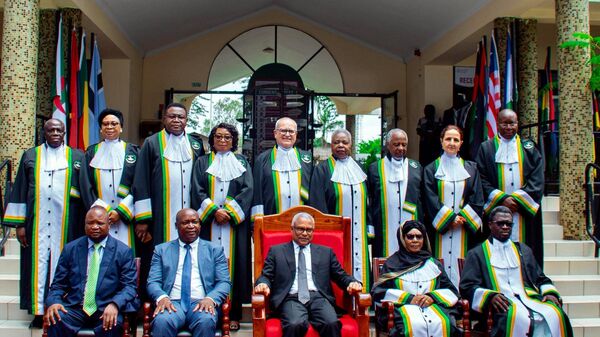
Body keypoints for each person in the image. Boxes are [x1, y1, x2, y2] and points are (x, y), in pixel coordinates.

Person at [3, 119, 84, 326]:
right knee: (37, 265)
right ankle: (38, 312)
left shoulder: (76, 156)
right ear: (44, 132)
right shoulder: (31, 155)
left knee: (64, 265)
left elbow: (84, 187)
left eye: (59, 130)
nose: (55, 133)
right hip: (36, 223)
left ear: (64, 132)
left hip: (65, 224)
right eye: (51, 130)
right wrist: (19, 225)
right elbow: (20, 188)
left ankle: (61, 310)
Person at [460, 206, 573, 337]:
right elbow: (467, 286)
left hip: (529, 298)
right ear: (490, 225)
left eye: (508, 223)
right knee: (518, 318)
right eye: (500, 223)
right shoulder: (478, 253)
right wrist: (490, 296)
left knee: (556, 314)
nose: (505, 227)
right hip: (501, 304)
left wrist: (550, 292)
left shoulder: (523, 250)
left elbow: (540, 278)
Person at [254, 212, 362, 337]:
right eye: (300, 229)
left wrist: (351, 282)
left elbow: (340, 275)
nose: (305, 233)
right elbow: (266, 275)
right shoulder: (277, 251)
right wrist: (263, 284)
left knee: (331, 323)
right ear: (292, 229)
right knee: (295, 324)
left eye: (309, 230)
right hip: (291, 298)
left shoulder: (326, 252)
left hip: (319, 298)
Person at [191, 123, 253, 331]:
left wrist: (228, 212)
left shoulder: (242, 161)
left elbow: (248, 189)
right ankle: (208, 311)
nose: (223, 140)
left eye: (227, 137)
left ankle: (233, 313)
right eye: (218, 137)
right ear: (212, 139)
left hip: (234, 227)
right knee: (206, 266)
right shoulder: (202, 162)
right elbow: (196, 189)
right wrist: (213, 211)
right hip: (209, 225)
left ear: (233, 140)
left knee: (234, 268)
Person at [44, 206, 140, 337]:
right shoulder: (70, 249)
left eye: (100, 223)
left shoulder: (123, 251)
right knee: (56, 318)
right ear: (85, 225)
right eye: (90, 223)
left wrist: (115, 304)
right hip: (75, 308)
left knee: (113, 324)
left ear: (109, 225)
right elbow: (57, 285)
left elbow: (129, 287)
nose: (95, 226)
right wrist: (55, 302)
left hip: (106, 308)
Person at [475, 109, 545, 266]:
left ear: (517, 124)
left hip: (523, 213)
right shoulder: (486, 148)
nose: (508, 127)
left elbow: (537, 178)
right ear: (498, 124)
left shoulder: (529, 148)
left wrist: (517, 200)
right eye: (504, 123)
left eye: (512, 123)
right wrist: (502, 199)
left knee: (526, 253)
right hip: (496, 210)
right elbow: (481, 178)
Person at [147, 208, 231, 337]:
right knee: (162, 321)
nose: (191, 226)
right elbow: (153, 282)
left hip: (202, 302)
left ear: (199, 224)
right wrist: (162, 297)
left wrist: (210, 299)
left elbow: (224, 282)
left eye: (195, 222)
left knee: (206, 320)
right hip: (172, 303)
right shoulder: (161, 250)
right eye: (185, 222)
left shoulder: (214, 250)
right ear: (176, 226)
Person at [132, 102, 205, 245]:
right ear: (164, 119)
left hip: (190, 209)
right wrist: (143, 219)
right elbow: (141, 181)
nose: (176, 120)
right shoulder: (152, 143)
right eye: (172, 116)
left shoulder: (196, 144)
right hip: (161, 211)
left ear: (186, 120)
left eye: (181, 117)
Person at [372, 220, 459, 337]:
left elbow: (451, 291)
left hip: (432, 308)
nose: (415, 240)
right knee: (411, 325)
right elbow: (379, 292)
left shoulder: (433, 264)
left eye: (419, 237)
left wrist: (431, 297)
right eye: (410, 237)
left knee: (445, 323)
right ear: (403, 239)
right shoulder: (392, 263)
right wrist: (409, 299)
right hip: (402, 309)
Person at [309, 129, 371, 290]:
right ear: (331, 145)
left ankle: (362, 302)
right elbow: (317, 203)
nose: (341, 146)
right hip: (334, 234)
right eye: (336, 142)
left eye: (345, 142)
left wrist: (369, 229)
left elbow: (369, 201)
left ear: (351, 144)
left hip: (359, 233)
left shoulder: (360, 168)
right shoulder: (322, 169)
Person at [423, 125, 484, 287]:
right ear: (441, 142)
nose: (451, 143)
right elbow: (430, 198)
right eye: (448, 139)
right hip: (439, 230)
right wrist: (449, 218)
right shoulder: (431, 169)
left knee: (462, 265)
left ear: (461, 143)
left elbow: (477, 198)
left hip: (464, 229)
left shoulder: (471, 169)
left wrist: (461, 218)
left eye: (455, 140)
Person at [80, 109, 139, 247]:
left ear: (121, 127)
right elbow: (86, 185)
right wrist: (103, 212)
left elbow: (138, 184)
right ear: (100, 129)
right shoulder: (91, 152)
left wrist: (120, 212)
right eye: (105, 124)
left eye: (114, 123)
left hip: (126, 215)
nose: (110, 127)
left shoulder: (133, 152)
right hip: (99, 215)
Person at [368, 128, 423, 258]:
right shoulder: (375, 168)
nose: (400, 148)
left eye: (404, 145)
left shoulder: (416, 167)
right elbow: (369, 199)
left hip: (410, 222)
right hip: (384, 224)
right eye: (396, 144)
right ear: (388, 145)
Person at [251, 117, 313, 220]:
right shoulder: (262, 159)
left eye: (291, 131)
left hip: (302, 223)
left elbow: (314, 192)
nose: (287, 134)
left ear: (296, 135)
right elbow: (257, 194)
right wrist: (256, 222)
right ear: (275, 133)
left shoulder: (307, 159)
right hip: (271, 219)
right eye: (283, 130)